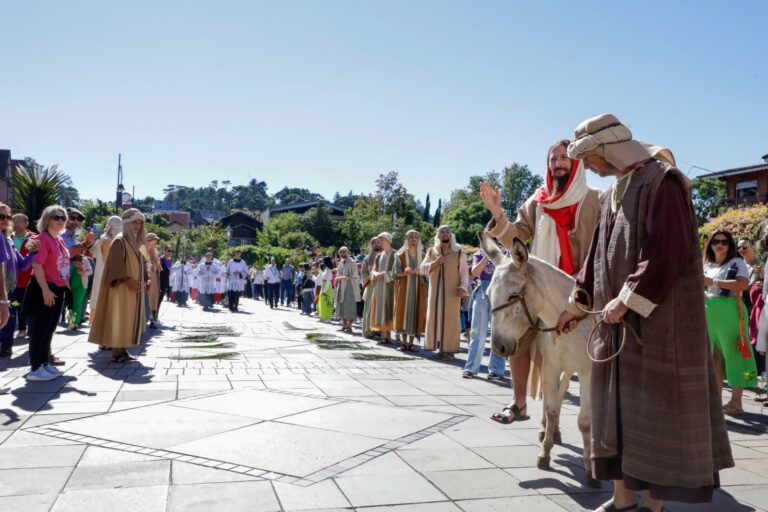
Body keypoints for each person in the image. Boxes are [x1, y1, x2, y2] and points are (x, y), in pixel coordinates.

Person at [556, 113, 732, 511]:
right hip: (618, 328)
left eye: (592, 159)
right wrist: (576, 303)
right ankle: (621, 501)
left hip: (659, 330)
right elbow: (594, 259)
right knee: (618, 415)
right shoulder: (615, 191)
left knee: (656, 419)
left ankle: (652, 506)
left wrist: (627, 298)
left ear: (608, 150)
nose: (591, 168)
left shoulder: (663, 181)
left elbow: (666, 251)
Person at [481, 139, 601, 424]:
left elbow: (604, 245)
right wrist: (498, 214)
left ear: (576, 163)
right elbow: (517, 238)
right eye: (552, 159)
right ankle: (519, 404)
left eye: (563, 157)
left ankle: (601, 415)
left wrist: (587, 282)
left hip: (582, 288)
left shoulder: (596, 199)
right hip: (539, 286)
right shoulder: (537, 201)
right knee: (519, 334)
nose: (557, 163)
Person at [703, 230, 758, 416]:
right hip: (710, 312)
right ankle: (716, 402)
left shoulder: (736, 262)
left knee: (736, 355)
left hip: (730, 312)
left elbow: (743, 285)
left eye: (724, 241)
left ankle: (737, 402)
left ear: (730, 245)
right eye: (716, 241)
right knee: (715, 357)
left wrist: (713, 282)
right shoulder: (706, 264)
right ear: (710, 244)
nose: (720, 244)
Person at [88, 209, 149, 363]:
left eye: (139, 223)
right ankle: (117, 351)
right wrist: (129, 280)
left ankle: (123, 349)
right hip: (121, 289)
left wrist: (146, 280)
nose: (137, 226)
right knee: (119, 317)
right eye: (134, 222)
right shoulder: (119, 241)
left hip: (135, 289)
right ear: (126, 223)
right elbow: (115, 265)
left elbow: (143, 263)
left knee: (129, 318)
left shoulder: (138, 242)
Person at [21, 205, 69, 380]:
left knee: (49, 329)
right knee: (39, 330)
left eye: (63, 218)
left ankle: (44, 363)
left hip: (57, 287)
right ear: (47, 219)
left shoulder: (59, 240)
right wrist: (45, 290)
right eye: (57, 217)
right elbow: (37, 266)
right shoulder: (43, 239)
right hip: (44, 287)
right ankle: (35, 368)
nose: (60, 221)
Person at [420, 226, 468, 359]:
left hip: (452, 293)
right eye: (442, 232)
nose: (445, 234)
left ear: (450, 235)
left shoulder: (458, 252)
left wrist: (463, 287)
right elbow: (422, 269)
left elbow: (464, 271)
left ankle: (449, 350)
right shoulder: (431, 251)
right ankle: (439, 347)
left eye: (447, 232)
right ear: (438, 236)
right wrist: (435, 263)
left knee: (451, 319)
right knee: (435, 318)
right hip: (435, 293)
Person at [462, 248, 507, 379]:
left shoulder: (506, 252)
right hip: (482, 291)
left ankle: (497, 370)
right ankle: (471, 367)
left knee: (498, 333)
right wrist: (487, 256)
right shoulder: (479, 253)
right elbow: (475, 273)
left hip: (500, 292)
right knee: (477, 332)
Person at [0, 205, 39, 357]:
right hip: (4, 289)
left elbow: (22, 264)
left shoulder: (7, 240)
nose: (4, 219)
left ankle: (6, 346)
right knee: (7, 316)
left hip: (11, 286)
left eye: (6, 216)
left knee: (9, 316)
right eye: (0, 216)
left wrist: (33, 252)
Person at [393, 230, 428, 352]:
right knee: (403, 312)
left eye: (415, 237)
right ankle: (403, 343)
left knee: (416, 312)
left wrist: (418, 272)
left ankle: (412, 344)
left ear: (418, 240)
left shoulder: (424, 256)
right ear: (407, 239)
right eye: (411, 237)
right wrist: (405, 272)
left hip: (419, 289)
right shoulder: (400, 255)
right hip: (404, 289)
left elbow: (427, 273)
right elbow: (395, 273)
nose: (413, 239)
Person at [89, 216, 122, 320]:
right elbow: (108, 260)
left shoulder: (105, 237)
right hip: (104, 275)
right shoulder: (107, 240)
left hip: (102, 274)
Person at [10, 213, 35, 339]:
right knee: (13, 304)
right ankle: (12, 330)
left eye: (18, 221)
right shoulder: (8, 238)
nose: (15, 223)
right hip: (11, 281)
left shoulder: (33, 239)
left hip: (27, 280)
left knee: (24, 305)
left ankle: (23, 329)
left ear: (26, 223)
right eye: (13, 221)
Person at [370, 233, 397, 344]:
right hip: (379, 286)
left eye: (382, 240)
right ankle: (384, 335)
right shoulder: (378, 256)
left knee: (389, 308)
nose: (380, 242)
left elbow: (396, 271)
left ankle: (389, 335)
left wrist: (384, 275)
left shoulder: (396, 254)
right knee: (380, 309)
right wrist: (375, 274)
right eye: (379, 240)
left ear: (388, 240)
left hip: (390, 286)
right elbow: (373, 270)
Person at [335, 247, 360, 333]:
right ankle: (344, 325)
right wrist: (339, 278)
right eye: (341, 252)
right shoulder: (341, 263)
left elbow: (355, 275)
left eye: (344, 252)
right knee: (341, 305)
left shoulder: (352, 262)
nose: (342, 254)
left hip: (350, 286)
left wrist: (344, 277)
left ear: (347, 252)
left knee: (349, 306)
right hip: (341, 286)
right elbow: (338, 273)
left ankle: (349, 326)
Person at [361, 237, 381, 339]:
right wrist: (368, 278)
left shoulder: (384, 255)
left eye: (378, 242)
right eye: (374, 243)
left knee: (380, 308)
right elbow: (363, 272)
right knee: (369, 307)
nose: (376, 244)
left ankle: (379, 331)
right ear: (371, 245)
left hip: (382, 284)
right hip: (371, 285)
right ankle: (368, 330)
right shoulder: (367, 259)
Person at [67, 245, 89, 329]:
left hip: (81, 286)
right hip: (71, 286)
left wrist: (84, 273)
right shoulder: (70, 261)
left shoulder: (85, 260)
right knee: (71, 304)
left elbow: (90, 271)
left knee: (78, 304)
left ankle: (75, 323)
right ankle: (71, 322)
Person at [315, 257, 334, 321]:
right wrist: (319, 270)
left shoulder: (329, 270)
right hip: (323, 285)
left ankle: (327, 317)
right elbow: (323, 276)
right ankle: (322, 316)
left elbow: (328, 281)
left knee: (326, 301)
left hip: (327, 287)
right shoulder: (326, 269)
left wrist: (325, 290)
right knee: (321, 301)